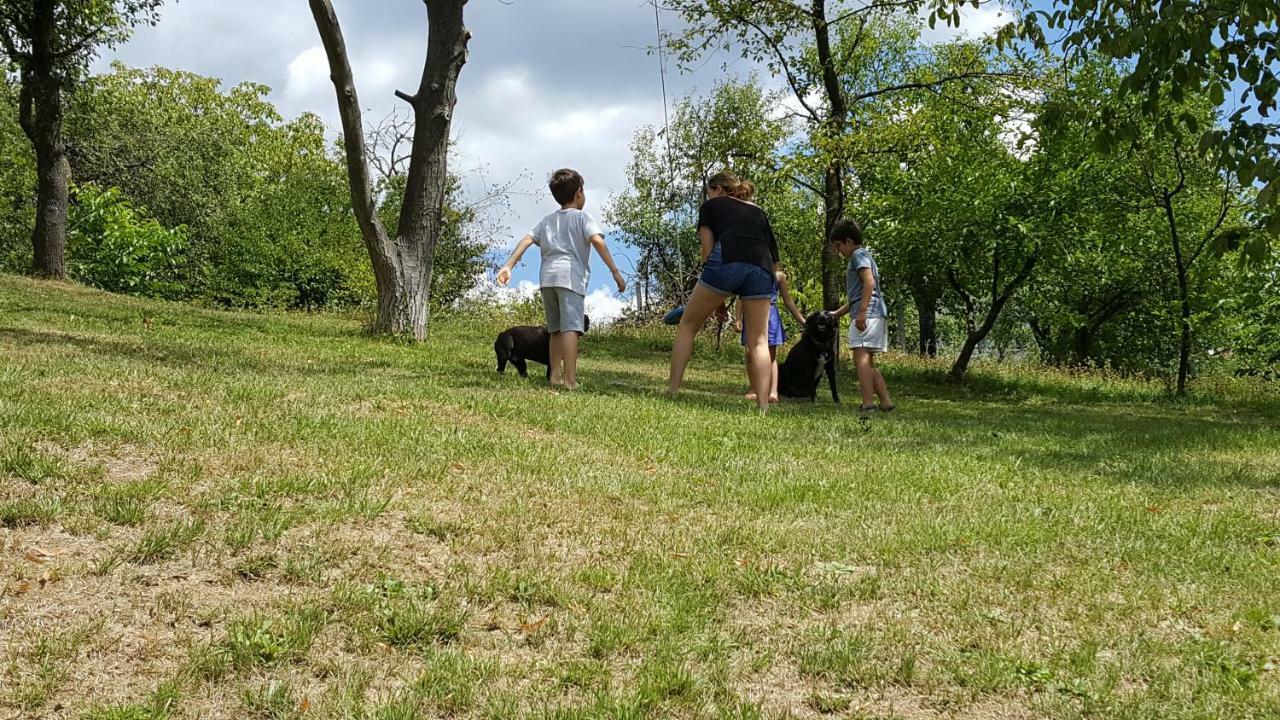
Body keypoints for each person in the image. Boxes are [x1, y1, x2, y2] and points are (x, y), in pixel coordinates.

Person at [497, 168, 626, 389]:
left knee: (554, 329)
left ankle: (555, 377)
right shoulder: (583, 217)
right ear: (579, 193)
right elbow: (598, 241)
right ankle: (570, 380)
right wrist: (614, 271)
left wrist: (509, 265)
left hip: (547, 279)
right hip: (570, 278)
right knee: (571, 329)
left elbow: (527, 240)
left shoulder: (547, 220)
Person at [667, 171, 779, 412]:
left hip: (726, 261)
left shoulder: (712, 205)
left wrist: (718, 292)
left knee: (688, 324)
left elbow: (707, 252)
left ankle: (673, 389)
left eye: (709, 190)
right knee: (759, 340)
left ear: (717, 189)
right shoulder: (758, 211)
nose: (708, 194)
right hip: (763, 267)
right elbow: (774, 259)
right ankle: (763, 405)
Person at [828, 218, 895, 413]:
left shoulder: (858, 256)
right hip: (873, 312)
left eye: (839, 246)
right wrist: (837, 314)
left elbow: (869, 283)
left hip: (868, 314)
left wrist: (863, 313)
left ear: (849, 241)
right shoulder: (864, 256)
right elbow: (857, 296)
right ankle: (885, 402)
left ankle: (868, 403)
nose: (839, 251)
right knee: (868, 361)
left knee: (861, 360)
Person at [734, 269, 806, 403]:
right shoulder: (748, 272)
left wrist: (803, 321)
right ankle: (754, 389)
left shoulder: (779, 277)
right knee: (749, 353)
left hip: (770, 316)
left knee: (771, 355)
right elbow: (740, 299)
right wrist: (737, 319)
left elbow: (788, 301)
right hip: (751, 315)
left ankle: (773, 391)